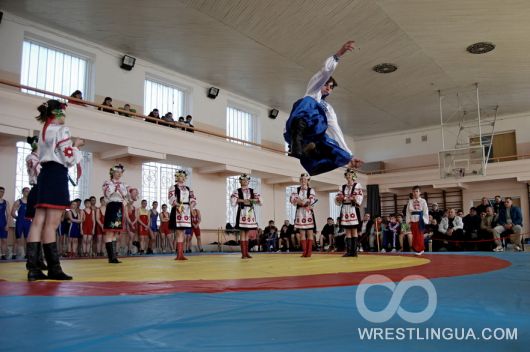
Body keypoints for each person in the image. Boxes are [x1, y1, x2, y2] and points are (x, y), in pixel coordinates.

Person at [284, 41, 362, 175]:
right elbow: (325, 71)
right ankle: (297, 145)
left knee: (335, 145)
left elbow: (335, 128)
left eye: (331, 87)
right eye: (326, 85)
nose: (328, 88)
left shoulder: (328, 109)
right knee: (307, 102)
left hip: (312, 136)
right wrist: (339, 53)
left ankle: (313, 160)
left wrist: (350, 155)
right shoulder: (313, 91)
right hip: (294, 130)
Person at [25, 100, 83, 280]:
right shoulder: (61, 130)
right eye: (64, 113)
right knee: (52, 224)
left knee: (38, 221)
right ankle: (54, 268)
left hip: (44, 174)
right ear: (58, 114)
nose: (65, 117)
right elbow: (68, 158)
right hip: (57, 174)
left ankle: (33, 268)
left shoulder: (42, 133)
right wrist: (77, 146)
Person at [102, 164, 130, 263]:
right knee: (110, 231)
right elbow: (107, 194)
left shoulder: (124, 184)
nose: (119, 174)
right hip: (112, 206)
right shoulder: (107, 183)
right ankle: (111, 257)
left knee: (114, 232)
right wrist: (115, 188)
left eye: (120, 172)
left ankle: (113, 256)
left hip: (119, 207)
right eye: (117, 172)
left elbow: (127, 196)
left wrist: (126, 200)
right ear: (112, 173)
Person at [230, 174, 262, 259]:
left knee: (247, 233)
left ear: (248, 181)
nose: (244, 181)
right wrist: (244, 200)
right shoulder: (237, 190)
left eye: (246, 180)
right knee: (242, 233)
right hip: (242, 212)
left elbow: (259, 201)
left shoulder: (253, 190)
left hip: (250, 213)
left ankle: (246, 253)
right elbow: (233, 200)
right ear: (240, 181)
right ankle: (243, 254)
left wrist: (251, 201)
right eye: (242, 180)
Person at [168, 170, 196, 260]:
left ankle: (181, 253)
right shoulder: (173, 187)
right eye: (181, 176)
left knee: (183, 233)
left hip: (187, 210)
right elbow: (171, 197)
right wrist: (177, 205)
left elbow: (192, 198)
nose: (182, 178)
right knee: (179, 232)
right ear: (177, 177)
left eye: (184, 176)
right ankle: (179, 254)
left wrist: (191, 208)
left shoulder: (188, 188)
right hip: (178, 210)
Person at [335, 168, 363, 257]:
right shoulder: (342, 186)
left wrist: (352, 198)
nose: (348, 177)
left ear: (353, 176)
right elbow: (338, 197)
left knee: (354, 230)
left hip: (353, 208)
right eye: (347, 175)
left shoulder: (357, 185)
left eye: (350, 175)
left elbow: (358, 196)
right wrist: (339, 198)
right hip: (345, 209)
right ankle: (349, 251)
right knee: (347, 231)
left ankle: (354, 252)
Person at [290, 173, 317, 257]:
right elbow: (292, 199)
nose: (303, 181)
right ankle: (304, 252)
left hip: (308, 212)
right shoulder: (296, 189)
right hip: (300, 212)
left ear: (308, 181)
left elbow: (312, 200)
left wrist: (302, 201)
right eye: (301, 179)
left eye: (305, 179)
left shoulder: (311, 190)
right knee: (302, 234)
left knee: (309, 233)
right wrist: (301, 202)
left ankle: (309, 252)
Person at [405, 185, 429, 255]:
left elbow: (425, 211)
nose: (415, 193)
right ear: (412, 193)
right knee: (414, 235)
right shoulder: (410, 201)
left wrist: (424, 220)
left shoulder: (423, 201)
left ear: (419, 192)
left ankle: (421, 249)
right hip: (412, 219)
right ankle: (415, 249)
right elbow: (408, 212)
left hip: (420, 219)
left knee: (419, 235)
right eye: (414, 191)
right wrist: (408, 221)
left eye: (417, 191)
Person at [11, 187, 32, 259]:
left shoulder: (31, 203)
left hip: (28, 222)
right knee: (17, 239)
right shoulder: (18, 202)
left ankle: (27, 254)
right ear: (22, 192)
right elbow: (12, 213)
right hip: (20, 222)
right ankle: (14, 254)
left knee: (27, 239)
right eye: (26, 191)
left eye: (29, 191)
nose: (28, 193)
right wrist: (18, 218)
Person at [0, 187, 9, 260]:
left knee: (4, 240)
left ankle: (3, 255)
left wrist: (7, 224)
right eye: (0, 191)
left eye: (3, 192)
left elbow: (8, 214)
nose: (2, 193)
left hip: (3, 223)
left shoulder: (6, 202)